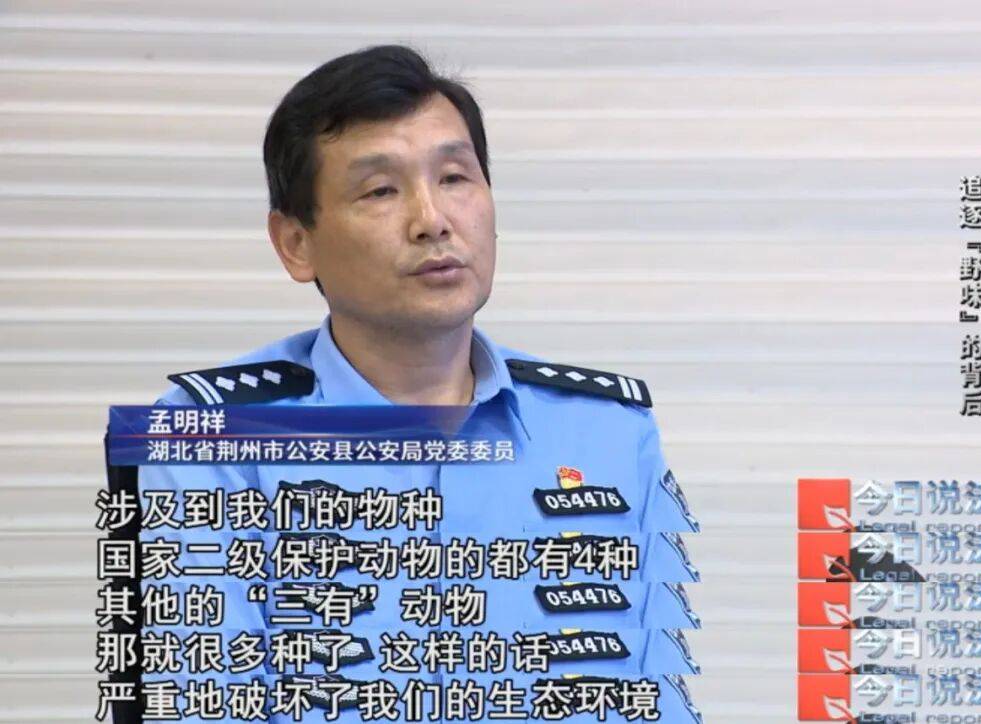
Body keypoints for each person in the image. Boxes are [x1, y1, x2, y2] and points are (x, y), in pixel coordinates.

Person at [135, 44, 700, 722]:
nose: (432, 219)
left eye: (455, 177)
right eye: (381, 190)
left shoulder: (607, 431)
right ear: (296, 244)